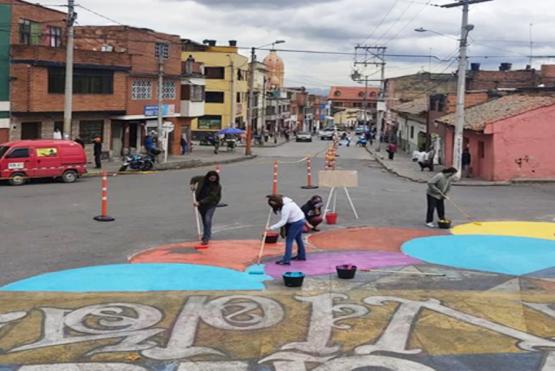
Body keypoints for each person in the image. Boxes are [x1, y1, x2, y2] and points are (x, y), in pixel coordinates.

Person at [267, 194, 306, 265]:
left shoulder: (286, 207)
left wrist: (271, 228)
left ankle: (286, 260)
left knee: (289, 240)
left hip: (296, 222)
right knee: (298, 238)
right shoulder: (285, 200)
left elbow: (283, 221)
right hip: (300, 219)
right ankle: (301, 256)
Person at [190, 171, 222, 245]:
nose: (212, 180)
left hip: (211, 204)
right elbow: (194, 179)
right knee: (204, 220)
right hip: (201, 204)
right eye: (211, 178)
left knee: (207, 219)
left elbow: (211, 197)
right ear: (208, 177)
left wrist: (199, 202)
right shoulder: (202, 179)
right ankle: (207, 234)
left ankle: (206, 238)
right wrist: (192, 184)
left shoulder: (217, 186)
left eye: (214, 178)